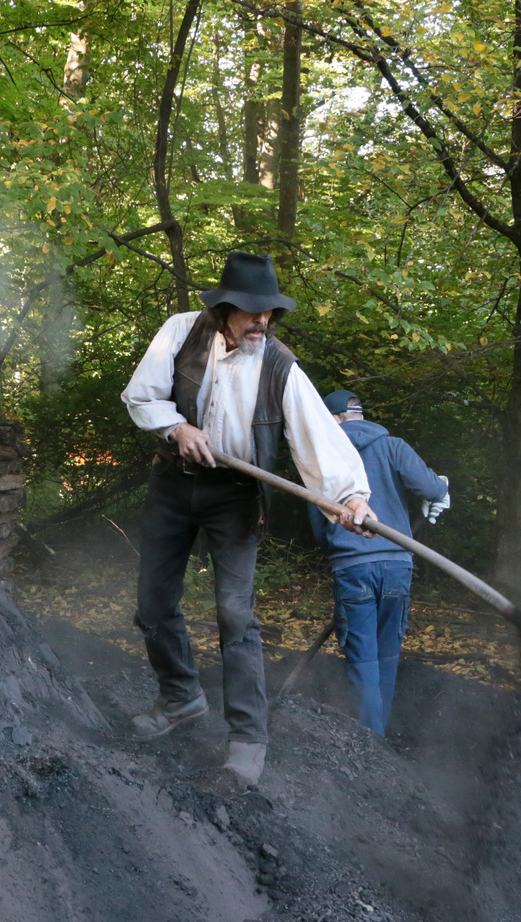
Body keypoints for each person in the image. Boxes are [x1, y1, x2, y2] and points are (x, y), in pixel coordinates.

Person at [120, 252, 375, 787]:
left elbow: (318, 440)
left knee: (236, 615)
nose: (263, 323)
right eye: (253, 313)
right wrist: (176, 429)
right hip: (173, 485)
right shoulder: (181, 332)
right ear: (226, 309)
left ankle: (246, 743)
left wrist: (349, 497)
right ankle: (181, 698)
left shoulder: (280, 365)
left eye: (270, 314)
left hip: (234, 496)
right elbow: (141, 395)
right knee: (154, 604)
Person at [310, 390, 449, 737]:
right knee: (386, 659)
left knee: (363, 661)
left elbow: (318, 525)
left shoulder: (323, 458)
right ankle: (379, 741)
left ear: (333, 419)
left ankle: (368, 744)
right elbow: (432, 489)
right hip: (397, 565)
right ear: (359, 415)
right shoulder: (393, 446)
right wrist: (442, 485)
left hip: (352, 567)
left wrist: (339, 547)